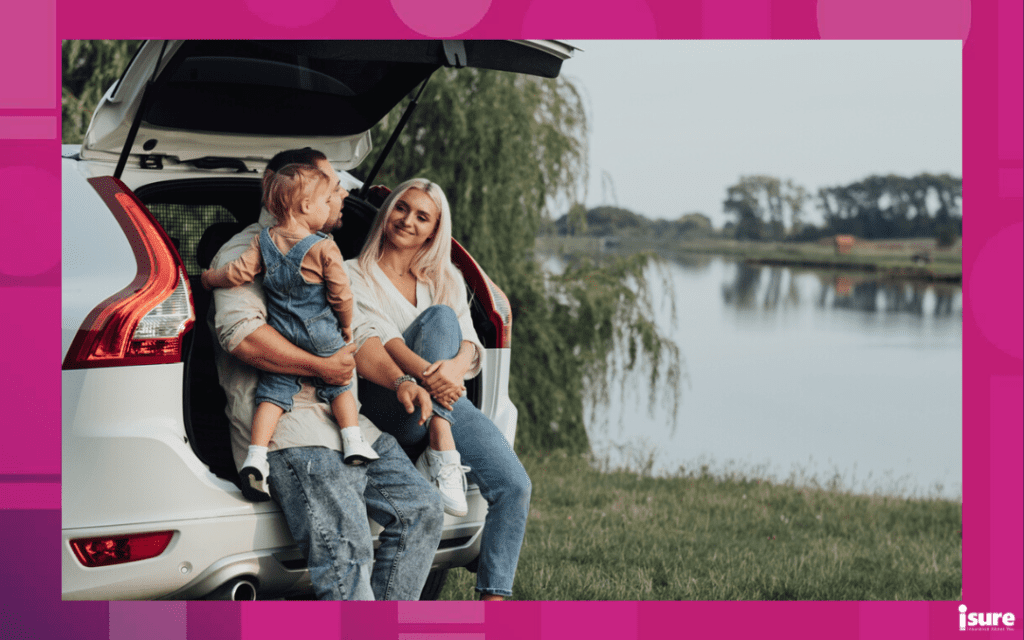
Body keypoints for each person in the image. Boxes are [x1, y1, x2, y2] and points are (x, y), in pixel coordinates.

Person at [209, 149, 444, 600]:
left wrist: (400, 381)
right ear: (293, 194)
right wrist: (319, 366)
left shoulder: (324, 252)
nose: (339, 194)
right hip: (292, 431)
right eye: (331, 185)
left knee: (422, 509)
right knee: (348, 550)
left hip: (349, 424)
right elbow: (242, 336)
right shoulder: (248, 249)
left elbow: (355, 337)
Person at [346, 178, 532, 601]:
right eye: (401, 208)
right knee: (439, 321)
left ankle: (495, 603)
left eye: (422, 216)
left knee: (515, 486)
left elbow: (470, 346)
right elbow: (372, 343)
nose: (407, 220)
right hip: (391, 401)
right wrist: (436, 377)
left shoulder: (443, 276)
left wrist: (451, 369)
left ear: (434, 230)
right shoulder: (352, 273)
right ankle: (439, 437)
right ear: (386, 211)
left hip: (441, 400)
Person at [203, 163, 376, 502]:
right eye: (328, 199)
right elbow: (341, 296)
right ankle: (353, 439)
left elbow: (237, 273)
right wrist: (344, 327)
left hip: (282, 331)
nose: (335, 202)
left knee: (272, 395)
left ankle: (255, 457)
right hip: (320, 332)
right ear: (308, 207)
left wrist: (209, 279)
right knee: (339, 382)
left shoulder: (263, 241)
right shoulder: (324, 247)